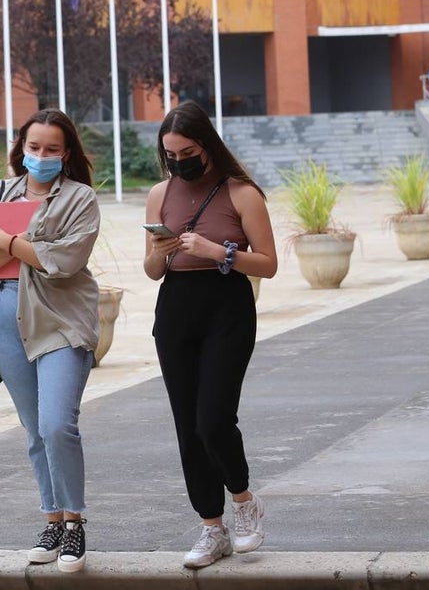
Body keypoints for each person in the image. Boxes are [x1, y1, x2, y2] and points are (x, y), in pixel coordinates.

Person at [0, 108, 101, 574]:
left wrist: (9, 242)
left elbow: (65, 260)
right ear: (21, 147)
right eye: (33, 147)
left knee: (58, 423)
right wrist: (22, 248)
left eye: (52, 149)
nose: (41, 156)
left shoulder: (80, 198)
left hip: (60, 318)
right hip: (4, 314)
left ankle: (75, 523)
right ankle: (53, 520)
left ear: (67, 154)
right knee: (35, 429)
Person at [142, 101, 278, 570]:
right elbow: (151, 271)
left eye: (187, 150)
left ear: (207, 144)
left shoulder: (241, 193)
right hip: (175, 309)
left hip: (227, 308)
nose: (179, 161)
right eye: (170, 153)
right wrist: (160, 250)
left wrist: (220, 252)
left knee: (213, 419)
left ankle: (244, 502)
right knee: (187, 425)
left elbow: (269, 263)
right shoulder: (160, 194)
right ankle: (211, 526)